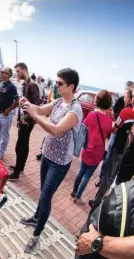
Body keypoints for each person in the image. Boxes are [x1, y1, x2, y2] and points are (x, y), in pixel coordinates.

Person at [19, 68, 83, 253]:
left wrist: (35, 116)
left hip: (60, 162)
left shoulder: (75, 109)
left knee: (46, 197)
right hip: (47, 154)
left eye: (60, 83)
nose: (56, 85)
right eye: (56, 82)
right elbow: (39, 109)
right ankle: (36, 217)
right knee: (42, 192)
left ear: (71, 86)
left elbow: (56, 130)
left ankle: (36, 235)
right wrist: (29, 105)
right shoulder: (59, 102)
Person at [89, 90, 134, 208]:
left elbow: (115, 129)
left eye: (126, 96)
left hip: (118, 148)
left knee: (108, 175)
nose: (124, 98)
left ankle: (97, 201)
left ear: (130, 99)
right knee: (119, 181)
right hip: (129, 155)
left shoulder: (126, 112)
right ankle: (111, 204)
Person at [71, 90, 113, 205]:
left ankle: (74, 191)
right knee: (87, 175)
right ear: (109, 104)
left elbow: (84, 126)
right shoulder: (109, 120)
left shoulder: (91, 114)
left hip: (87, 148)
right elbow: (110, 132)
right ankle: (78, 197)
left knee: (81, 172)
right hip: (98, 152)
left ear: (97, 101)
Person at [96, 84, 134, 187]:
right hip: (117, 136)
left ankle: (106, 184)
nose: (124, 96)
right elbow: (114, 112)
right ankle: (101, 178)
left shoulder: (127, 111)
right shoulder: (121, 102)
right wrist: (117, 122)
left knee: (115, 163)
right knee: (108, 157)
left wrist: (118, 125)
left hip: (121, 141)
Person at [9, 63, 41, 180]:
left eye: (17, 71)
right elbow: (22, 104)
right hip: (23, 120)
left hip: (27, 122)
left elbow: (37, 105)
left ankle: (17, 172)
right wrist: (18, 118)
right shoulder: (26, 84)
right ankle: (20, 167)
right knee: (23, 144)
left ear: (23, 70)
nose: (16, 74)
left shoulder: (32, 85)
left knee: (20, 146)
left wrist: (26, 119)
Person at [0, 67, 19, 159]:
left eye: (5, 73)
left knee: (4, 135)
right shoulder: (0, 83)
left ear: (9, 75)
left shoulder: (12, 87)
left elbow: (17, 101)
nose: (2, 74)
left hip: (6, 115)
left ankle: (1, 153)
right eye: (1, 72)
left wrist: (9, 109)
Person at [36, 79, 63, 161]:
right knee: (48, 133)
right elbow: (51, 96)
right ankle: (43, 151)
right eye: (57, 82)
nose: (58, 84)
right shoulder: (56, 87)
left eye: (60, 83)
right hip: (54, 111)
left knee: (55, 132)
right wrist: (57, 103)